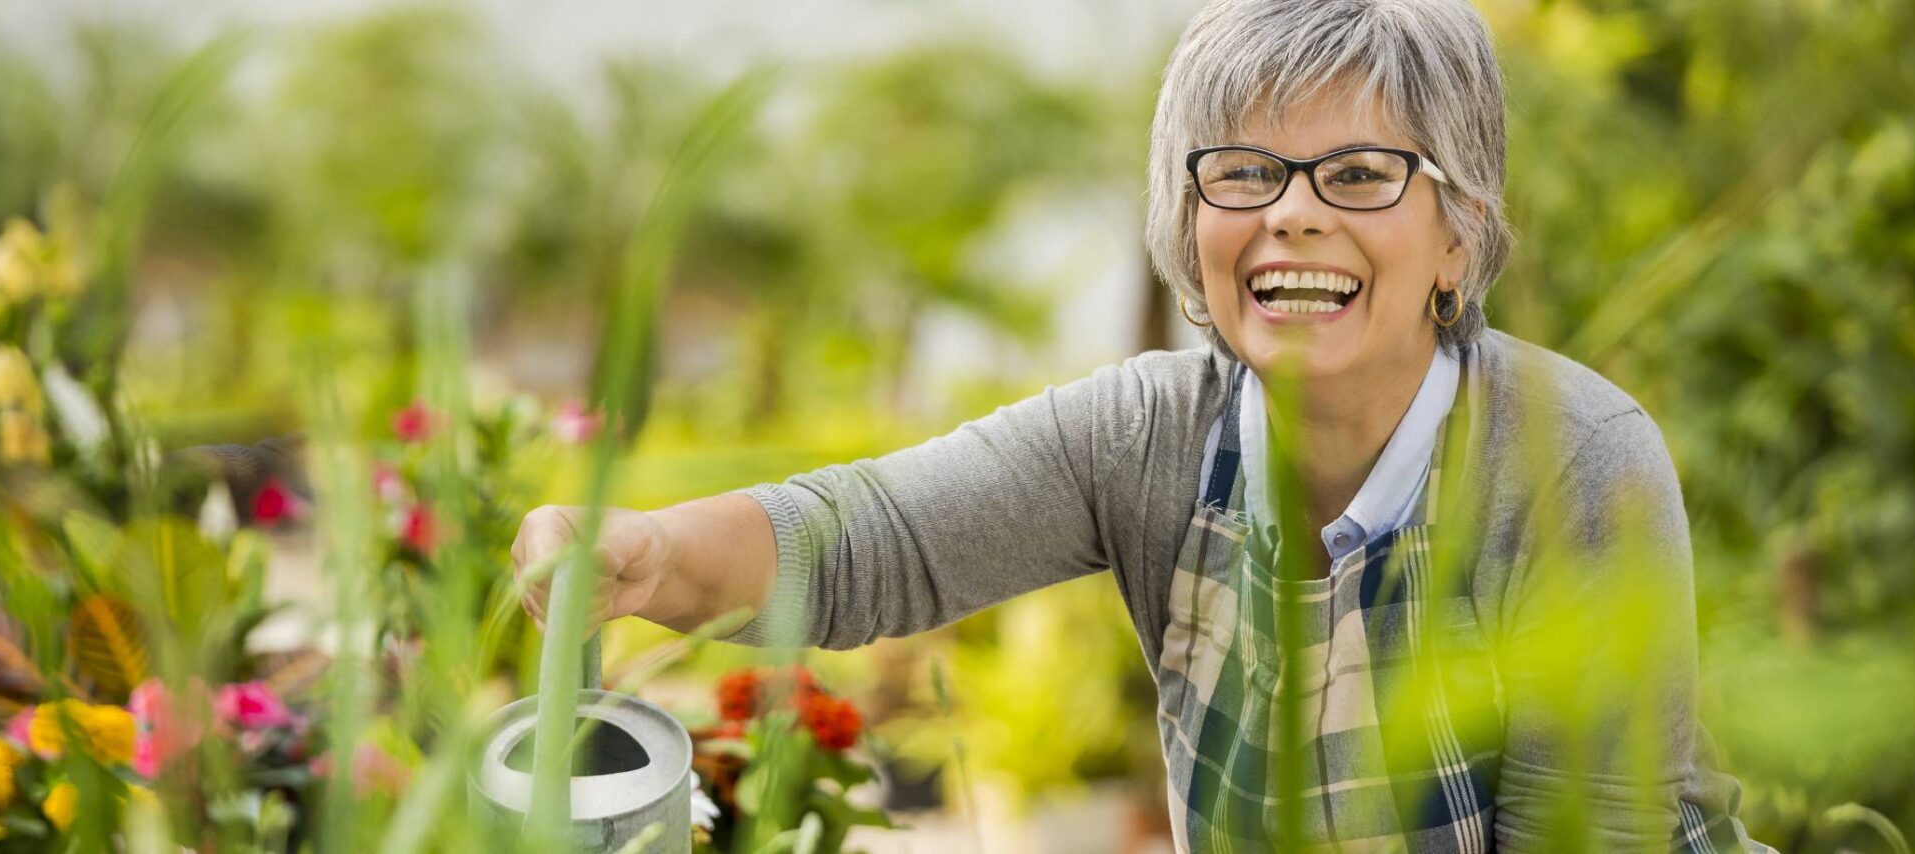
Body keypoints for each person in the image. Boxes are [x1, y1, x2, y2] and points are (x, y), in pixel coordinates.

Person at [515, 0, 1768, 849]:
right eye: (1243, 171)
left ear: (1457, 233)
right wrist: (651, 554)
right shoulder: (1151, 437)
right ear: (1193, 219)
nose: (1292, 215)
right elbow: (869, 539)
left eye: (1360, 173)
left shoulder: (1571, 459)